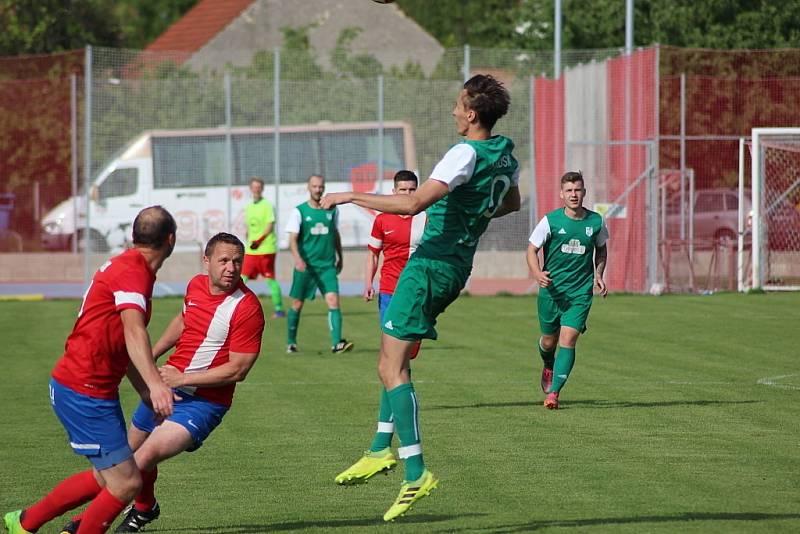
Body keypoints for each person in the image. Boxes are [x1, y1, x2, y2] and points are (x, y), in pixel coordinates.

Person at [322, 74, 521, 521]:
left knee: (389, 365)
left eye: (457, 104)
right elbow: (511, 204)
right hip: (455, 267)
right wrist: (472, 213)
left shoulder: (463, 152)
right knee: (394, 359)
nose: (452, 111)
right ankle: (378, 448)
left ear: (471, 113)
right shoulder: (506, 156)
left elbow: (413, 205)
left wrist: (351, 195)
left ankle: (415, 470)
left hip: (429, 266)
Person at [57, 232, 265, 534]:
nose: (231, 267)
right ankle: (145, 508)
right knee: (120, 459)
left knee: (141, 459)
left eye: (237, 261)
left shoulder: (246, 307)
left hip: (204, 403)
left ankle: (84, 524)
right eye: (223, 260)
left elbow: (239, 369)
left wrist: (184, 377)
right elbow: (183, 322)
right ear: (206, 261)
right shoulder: (195, 285)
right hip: (165, 387)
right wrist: (149, 358)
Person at [3, 206, 177, 534]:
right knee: (126, 483)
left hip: (88, 388)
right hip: (83, 390)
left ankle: (24, 523)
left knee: (107, 478)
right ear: (171, 240)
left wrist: (144, 391)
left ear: (133, 237)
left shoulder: (131, 266)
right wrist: (156, 385)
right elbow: (133, 330)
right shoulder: (133, 272)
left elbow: (121, 343)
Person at [339, 170, 424, 468]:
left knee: (401, 361)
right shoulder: (383, 218)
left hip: (415, 295)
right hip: (388, 293)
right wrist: (368, 282)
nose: (406, 193)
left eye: (412, 189)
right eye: (402, 189)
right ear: (393, 189)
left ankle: (385, 440)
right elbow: (373, 254)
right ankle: (383, 438)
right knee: (395, 363)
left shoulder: (425, 218)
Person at [526, 170, 609, 410]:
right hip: (552, 291)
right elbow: (531, 249)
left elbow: (601, 249)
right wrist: (538, 273)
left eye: (577, 190)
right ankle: (548, 364)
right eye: (569, 191)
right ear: (562, 194)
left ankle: (553, 394)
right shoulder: (550, 221)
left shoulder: (595, 221)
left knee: (569, 339)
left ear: (584, 192)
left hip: (580, 292)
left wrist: (599, 274)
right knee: (548, 341)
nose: (574, 194)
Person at [285, 174, 353, 354]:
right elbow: (292, 239)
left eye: (320, 186)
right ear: (308, 188)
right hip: (306, 267)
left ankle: (337, 343)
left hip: (327, 266)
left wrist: (341, 256)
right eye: (314, 186)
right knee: (297, 304)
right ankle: (291, 342)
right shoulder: (299, 211)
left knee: (333, 301)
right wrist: (298, 259)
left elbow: (335, 234)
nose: (318, 189)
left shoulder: (332, 210)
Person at [242, 177, 285, 318]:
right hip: (251, 250)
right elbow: (249, 226)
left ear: (262, 189)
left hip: (266, 249)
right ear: (250, 188)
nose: (256, 189)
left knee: (270, 280)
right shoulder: (248, 206)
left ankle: (279, 309)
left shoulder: (267, 205)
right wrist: (248, 236)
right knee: (241, 278)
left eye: (259, 187)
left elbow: (269, 225)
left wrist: (259, 240)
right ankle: (233, 307)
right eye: (254, 187)